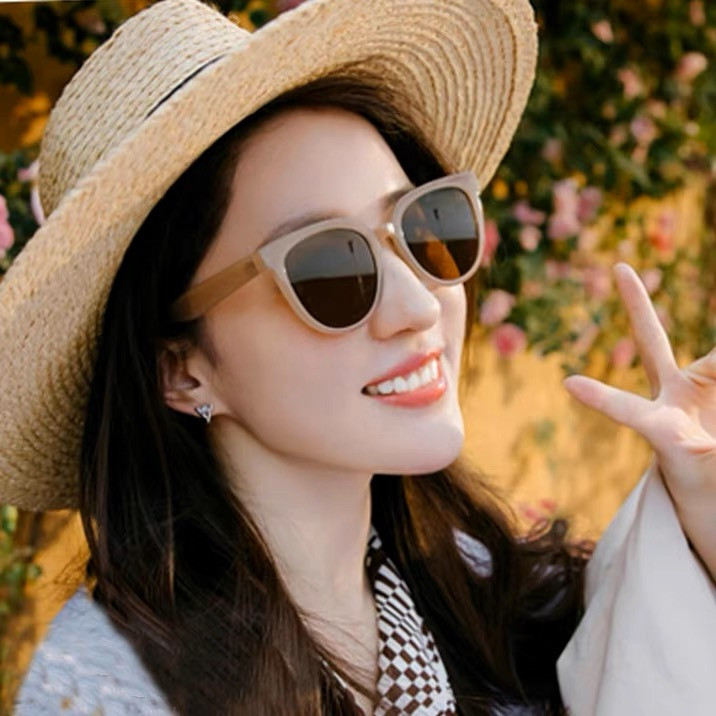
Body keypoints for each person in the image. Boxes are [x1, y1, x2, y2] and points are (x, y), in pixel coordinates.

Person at [2, 0, 714, 714]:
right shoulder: (104, 692)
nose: (420, 304)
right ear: (180, 370)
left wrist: (703, 512)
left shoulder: (495, 604)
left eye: (426, 226)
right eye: (328, 269)